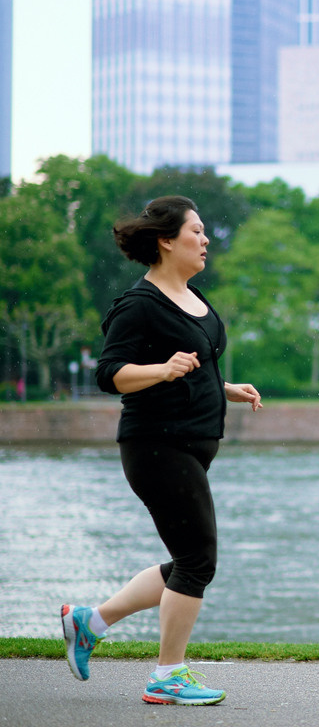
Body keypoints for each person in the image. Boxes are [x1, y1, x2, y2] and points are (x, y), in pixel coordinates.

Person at [61, 195, 262, 707]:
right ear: (166, 241)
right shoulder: (139, 305)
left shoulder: (195, 297)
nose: (205, 239)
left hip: (193, 444)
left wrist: (226, 387)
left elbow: (197, 364)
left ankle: (92, 621)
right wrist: (162, 371)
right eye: (196, 231)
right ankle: (167, 675)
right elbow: (111, 374)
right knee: (198, 560)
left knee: (187, 561)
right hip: (156, 446)